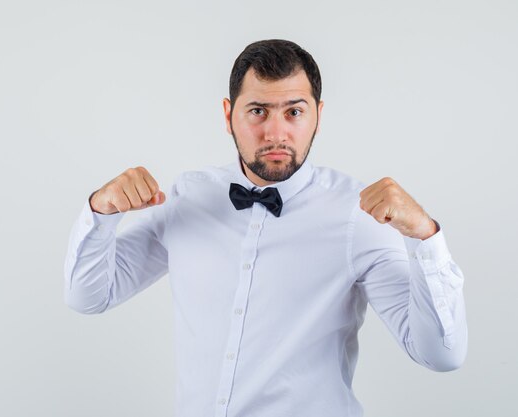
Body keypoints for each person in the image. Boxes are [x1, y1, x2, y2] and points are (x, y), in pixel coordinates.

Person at [64, 39, 467, 417]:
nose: (276, 133)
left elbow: (441, 355)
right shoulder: (189, 196)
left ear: (318, 116)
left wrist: (426, 239)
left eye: (294, 112)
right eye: (258, 111)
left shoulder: (357, 216)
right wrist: (101, 212)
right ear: (228, 115)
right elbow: (91, 295)